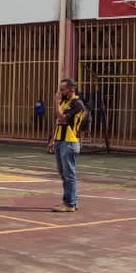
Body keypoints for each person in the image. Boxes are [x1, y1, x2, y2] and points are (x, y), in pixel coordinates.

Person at [48, 79, 86, 213]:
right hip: (60, 141)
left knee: (69, 174)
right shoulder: (64, 102)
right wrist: (53, 139)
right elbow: (58, 122)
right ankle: (69, 201)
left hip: (69, 142)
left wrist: (56, 103)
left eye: (63, 90)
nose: (60, 93)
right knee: (63, 173)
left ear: (71, 90)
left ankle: (70, 203)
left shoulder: (77, 104)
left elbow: (63, 118)